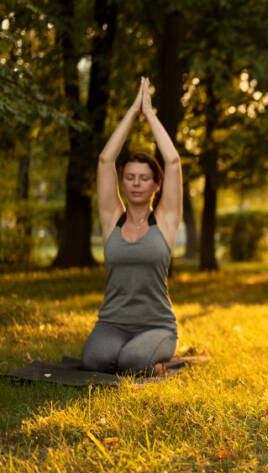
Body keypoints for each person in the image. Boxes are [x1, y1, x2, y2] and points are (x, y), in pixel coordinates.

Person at [81, 77, 182, 375]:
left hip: (157, 325)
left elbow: (173, 161)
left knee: (132, 362)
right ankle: (133, 353)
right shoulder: (112, 218)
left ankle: (151, 354)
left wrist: (149, 114)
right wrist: (132, 111)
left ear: (156, 184)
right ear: (122, 182)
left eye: (144, 178)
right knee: (95, 361)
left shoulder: (164, 221)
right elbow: (105, 159)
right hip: (112, 323)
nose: (136, 183)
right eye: (129, 177)